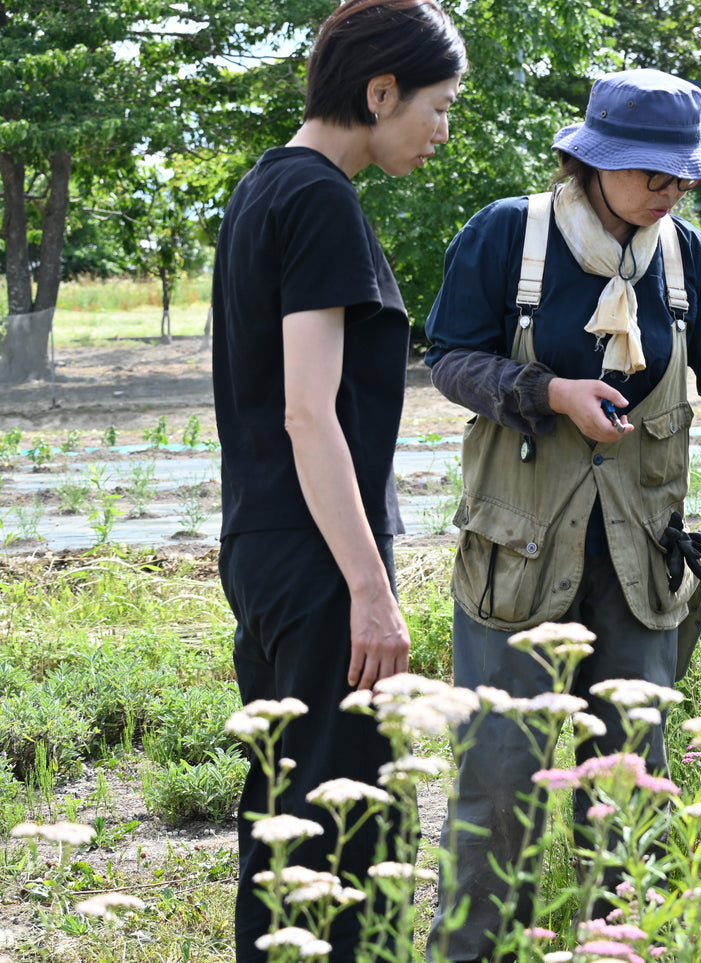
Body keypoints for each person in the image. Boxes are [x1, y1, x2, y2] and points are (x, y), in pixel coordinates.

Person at [422, 68, 701, 961]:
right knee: (500, 781)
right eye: (654, 175)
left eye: (682, 177)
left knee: (630, 790)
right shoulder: (510, 235)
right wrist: (545, 390)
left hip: (641, 566)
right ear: (593, 162)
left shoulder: (689, 260)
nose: (671, 192)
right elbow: (451, 360)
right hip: (518, 564)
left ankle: (625, 947)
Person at [209, 2, 466, 960]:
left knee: (288, 812)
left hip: (265, 541)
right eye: (438, 107)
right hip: (319, 556)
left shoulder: (261, 188)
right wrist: (369, 586)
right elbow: (307, 411)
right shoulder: (318, 198)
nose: (443, 131)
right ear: (380, 90)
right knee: (344, 824)